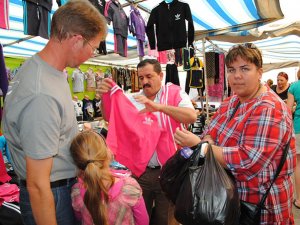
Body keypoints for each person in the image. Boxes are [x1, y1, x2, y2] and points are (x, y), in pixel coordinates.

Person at [1, 1, 107, 225]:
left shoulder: (49, 72)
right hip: (51, 195)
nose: (93, 54)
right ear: (77, 40)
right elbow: (38, 185)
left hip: (58, 188)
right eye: (94, 47)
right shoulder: (41, 93)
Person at [174, 43, 296, 224]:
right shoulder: (232, 100)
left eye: (245, 68)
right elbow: (211, 129)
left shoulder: (269, 108)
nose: (237, 76)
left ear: (260, 72)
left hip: (260, 206)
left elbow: (247, 161)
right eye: (231, 70)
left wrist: (201, 146)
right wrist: (207, 140)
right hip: (232, 198)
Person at [98, 59, 197, 225]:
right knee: (140, 217)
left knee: (165, 218)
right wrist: (104, 98)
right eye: (141, 77)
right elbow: (110, 117)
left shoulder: (174, 93)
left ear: (160, 75)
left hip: (170, 171)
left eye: (149, 76)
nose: (144, 81)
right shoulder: (133, 99)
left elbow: (191, 116)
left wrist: (159, 107)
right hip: (141, 172)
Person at [70, 130, 149, 225]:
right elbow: (143, 222)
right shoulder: (129, 188)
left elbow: (79, 218)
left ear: (77, 163)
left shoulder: (76, 192)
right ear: (107, 153)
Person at [287, 69, 300, 209]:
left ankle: (299, 199)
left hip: (299, 127)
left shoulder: (295, 86)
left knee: (298, 164)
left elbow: (288, 109)